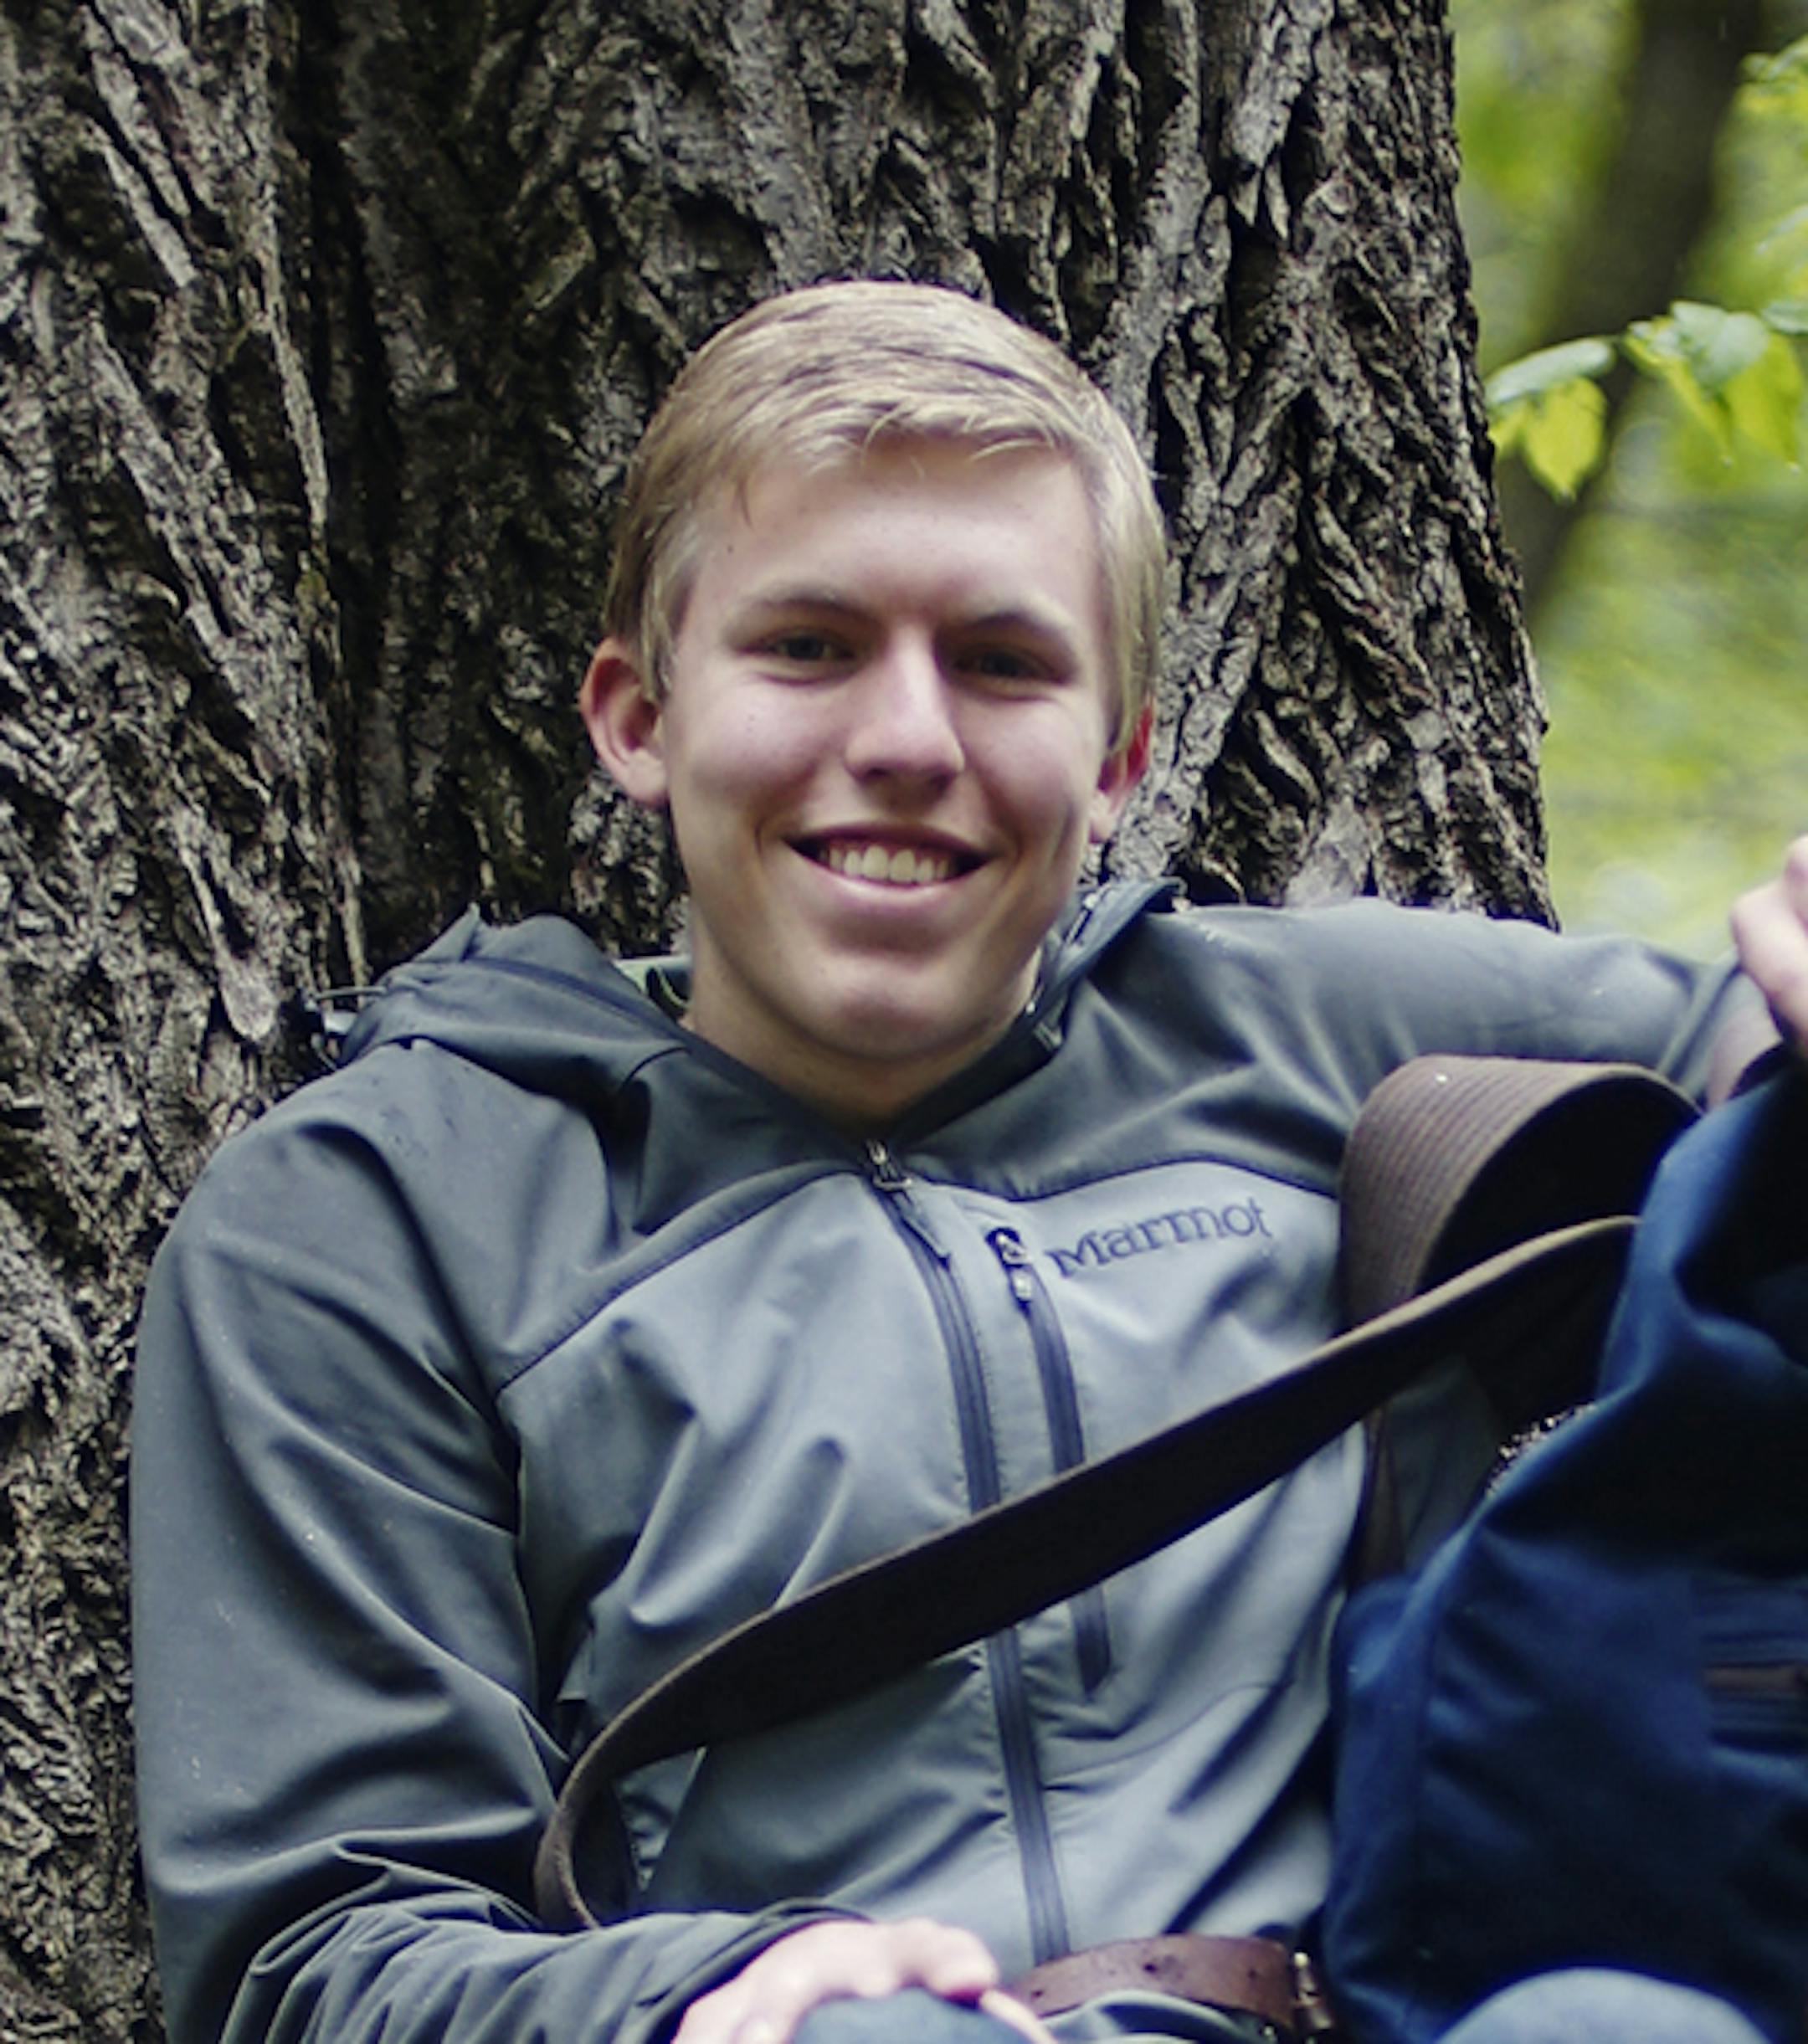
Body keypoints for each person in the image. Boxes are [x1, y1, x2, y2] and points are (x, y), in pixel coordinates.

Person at [131, 280, 1808, 2044]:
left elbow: (1757, 1052)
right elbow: (315, 1947)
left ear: (1120, 758)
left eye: (1001, 664)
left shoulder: (1336, 1038)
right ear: (636, 719)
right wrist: (709, 1995)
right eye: (809, 647)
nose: (911, 741)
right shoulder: (385, 1214)